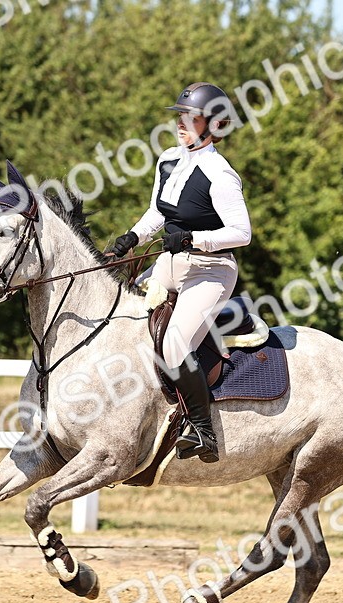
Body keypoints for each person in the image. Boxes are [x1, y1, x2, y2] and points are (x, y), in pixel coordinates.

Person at [104, 82, 252, 463]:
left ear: (214, 125)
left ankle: (204, 431)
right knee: (120, 318)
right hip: (168, 264)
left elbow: (242, 232)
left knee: (174, 345)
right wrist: (131, 238)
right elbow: (159, 212)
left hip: (211, 270)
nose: (181, 123)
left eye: (192, 118)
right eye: (180, 117)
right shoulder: (168, 159)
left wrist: (193, 240)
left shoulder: (221, 174)